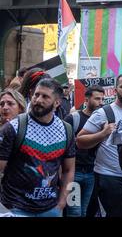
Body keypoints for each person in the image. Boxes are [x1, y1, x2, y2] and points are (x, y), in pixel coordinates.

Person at [0, 78, 75, 217]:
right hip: (15, 208)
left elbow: (68, 169)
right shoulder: (13, 128)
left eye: (45, 96)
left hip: (50, 209)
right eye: (36, 95)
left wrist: (62, 203)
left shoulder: (66, 130)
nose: (38, 100)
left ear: (57, 102)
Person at [77, 73, 122, 217]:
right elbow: (79, 141)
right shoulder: (103, 113)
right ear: (115, 90)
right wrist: (103, 134)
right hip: (108, 177)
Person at [64, 85, 105, 217]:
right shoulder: (73, 118)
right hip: (73, 173)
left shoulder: (102, 121)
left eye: (102, 99)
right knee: (73, 212)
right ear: (86, 99)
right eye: (97, 99)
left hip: (90, 173)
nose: (101, 102)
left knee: (84, 212)